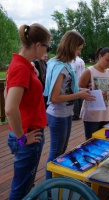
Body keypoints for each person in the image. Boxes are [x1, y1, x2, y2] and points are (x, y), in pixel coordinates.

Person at [5, 23, 51, 200]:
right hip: (29, 135)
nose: (48, 50)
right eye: (48, 46)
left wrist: (32, 74)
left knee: (25, 183)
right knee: (21, 188)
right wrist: (22, 138)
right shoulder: (21, 68)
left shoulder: (22, 65)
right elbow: (9, 108)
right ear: (38, 45)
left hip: (29, 132)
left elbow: (7, 92)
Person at [44, 30, 95, 180]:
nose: (79, 53)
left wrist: (81, 90)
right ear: (71, 47)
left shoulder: (58, 63)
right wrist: (79, 94)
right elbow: (55, 97)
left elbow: (65, 89)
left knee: (61, 151)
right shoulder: (60, 67)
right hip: (58, 115)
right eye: (78, 49)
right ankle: (50, 187)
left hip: (65, 114)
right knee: (55, 153)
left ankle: (56, 182)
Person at [79, 47, 109, 140]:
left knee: (104, 141)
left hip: (106, 114)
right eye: (107, 60)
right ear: (100, 57)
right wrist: (95, 94)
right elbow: (78, 90)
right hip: (92, 116)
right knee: (91, 142)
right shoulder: (89, 71)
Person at [71, 56, 85, 120]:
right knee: (80, 98)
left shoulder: (73, 61)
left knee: (75, 98)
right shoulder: (81, 60)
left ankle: (76, 114)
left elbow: (73, 72)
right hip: (80, 80)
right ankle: (80, 113)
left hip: (75, 81)